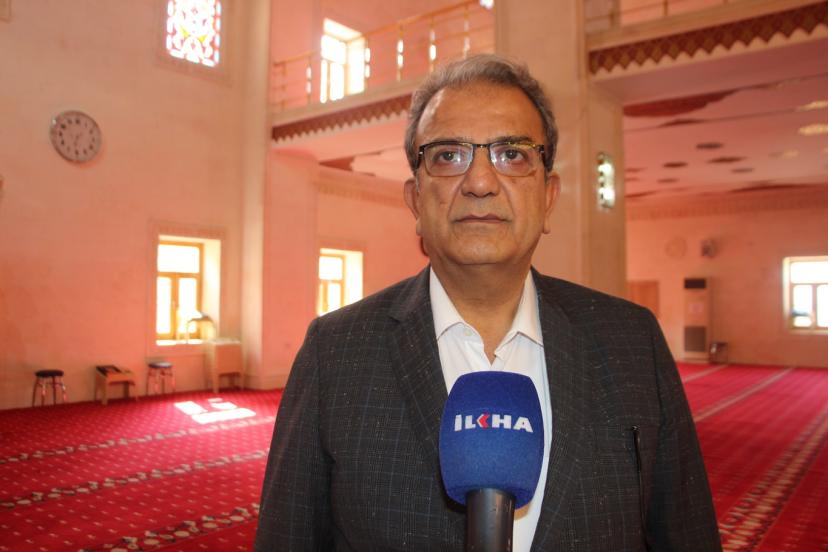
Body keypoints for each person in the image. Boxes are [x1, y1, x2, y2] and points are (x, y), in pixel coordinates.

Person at [254, 54, 722, 551]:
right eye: (448, 155)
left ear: (548, 197)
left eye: (512, 155)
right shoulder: (336, 353)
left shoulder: (632, 342)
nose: (479, 183)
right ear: (415, 201)